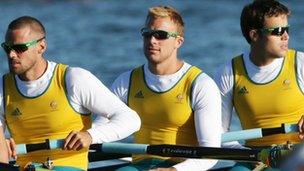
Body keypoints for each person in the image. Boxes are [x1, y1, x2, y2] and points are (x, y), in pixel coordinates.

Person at [0, 16, 141, 170]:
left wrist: (91, 135)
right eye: (7, 48)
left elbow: (131, 119)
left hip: (68, 166)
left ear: (41, 47)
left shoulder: (73, 79)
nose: (11, 55)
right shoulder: (3, 88)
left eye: (20, 48)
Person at [111, 5, 221, 171]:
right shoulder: (125, 81)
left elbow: (210, 153)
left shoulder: (200, 85)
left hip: (183, 166)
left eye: (160, 35)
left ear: (178, 41)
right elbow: (100, 129)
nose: (152, 40)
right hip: (139, 165)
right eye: (147, 34)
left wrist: (175, 170)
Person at [214, 0, 304, 169]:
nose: (286, 36)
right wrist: (247, 154)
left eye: (286, 29)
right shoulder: (228, 73)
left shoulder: (300, 63)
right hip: (254, 156)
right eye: (277, 31)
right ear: (254, 35)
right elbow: (219, 132)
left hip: (298, 153)